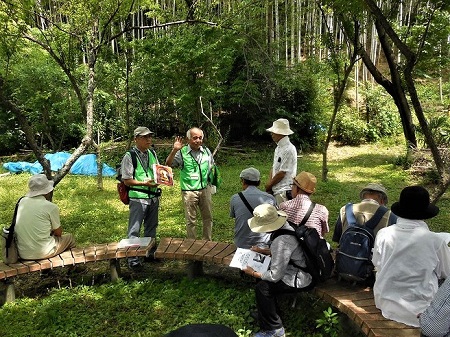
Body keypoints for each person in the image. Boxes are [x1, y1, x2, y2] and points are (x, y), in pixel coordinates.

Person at [372, 185, 450, 327]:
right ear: (425, 212)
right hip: (419, 311)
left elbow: (377, 263)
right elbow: (447, 273)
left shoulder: (383, 234)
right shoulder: (435, 241)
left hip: (385, 303)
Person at [243, 204, 313, 337]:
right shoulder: (287, 226)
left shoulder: (281, 240)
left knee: (263, 288)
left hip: (300, 277)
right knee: (262, 278)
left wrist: (252, 272)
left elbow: (275, 276)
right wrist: (263, 251)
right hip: (297, 268)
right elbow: (285, 252)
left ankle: (274, 329)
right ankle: (267, 313)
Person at [120, 126, 161, 269]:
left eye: (150, 136)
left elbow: (157, 171)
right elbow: (126, 180)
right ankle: (133, 259)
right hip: (138, 197)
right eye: (145, 137)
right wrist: (144, 183)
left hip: (153, 197)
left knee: (151, 227)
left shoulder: (152, 153)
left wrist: (164, 177)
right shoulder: (129, 156)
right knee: (134, 229)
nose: (149, 139)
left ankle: (149, 253)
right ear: (136, 139)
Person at [165, 127, 214, 241]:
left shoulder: (206, 151)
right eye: (195, 138)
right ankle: (192, 246)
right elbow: (168, 164)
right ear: (188, 139)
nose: (198, 140)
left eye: (200, 138)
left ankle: (207, 243)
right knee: (191, 221)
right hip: (189, 191)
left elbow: (211, 166)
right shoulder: (182, 153)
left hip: (205, 189)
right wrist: (174, 150)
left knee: (208, 218)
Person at [15, 174, 76, 260]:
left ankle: (45, 271)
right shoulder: (50, 207)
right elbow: (58, 233)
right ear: (47, 191)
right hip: (43, 252)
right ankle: (73, 267)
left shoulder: (22, 202)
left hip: (23, 252)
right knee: (69, 238)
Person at [332, 183, 396, 243]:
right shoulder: (389, 215)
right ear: (382, 200)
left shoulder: (345, 209)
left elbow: (337, 238)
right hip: (374, 254)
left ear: (363, 197)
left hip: (345, 254)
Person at [229, 167, 276, 249]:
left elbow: (234, 216)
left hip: (241, 244)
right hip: (264, 244)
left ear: (243, 181)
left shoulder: (235, 198)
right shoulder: (269, 198)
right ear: (258, 182)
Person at [279, 171, 329, 238]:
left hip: (288, 246)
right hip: (311, 247)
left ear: (296, 188)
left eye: (292, 185)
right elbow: (323, 232)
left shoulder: (283, 207)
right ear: (311, 192)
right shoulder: (322, 210)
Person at [264, 118, 297, 205]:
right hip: (277, 189)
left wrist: (269, 185)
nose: (272, 134)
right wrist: (269, 185)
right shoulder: (278, 148)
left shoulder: (289, 149)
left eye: (274, 132)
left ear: (281, 133)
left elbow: (282, 173)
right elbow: (274, 167)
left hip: (284, 190)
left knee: (283, 216)